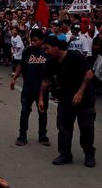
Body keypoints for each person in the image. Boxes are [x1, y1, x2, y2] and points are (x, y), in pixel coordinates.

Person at [39, 36, 96, 167]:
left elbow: (89, 74)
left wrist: (80, 92)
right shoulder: (50, 62)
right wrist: (41, 98)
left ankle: (89, 153)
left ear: (56, 47)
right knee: (64, 128)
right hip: (65, 100)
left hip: (84, 99)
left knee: (86, 128)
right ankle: (65, 154)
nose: (45, 52)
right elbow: (45, 82)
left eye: (47, 48)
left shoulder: (75, 57)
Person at [10, 29, 49, 146]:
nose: (33, 43)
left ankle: (42, 135)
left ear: (42, 40)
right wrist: (14, 78)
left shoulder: (46, 53)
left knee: (42, 112)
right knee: (24, 111)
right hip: (28, 88)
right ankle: (22, 135)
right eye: (31, 40)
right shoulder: (27, 51)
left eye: (35, 40)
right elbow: (21, 65)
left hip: (42, 90)